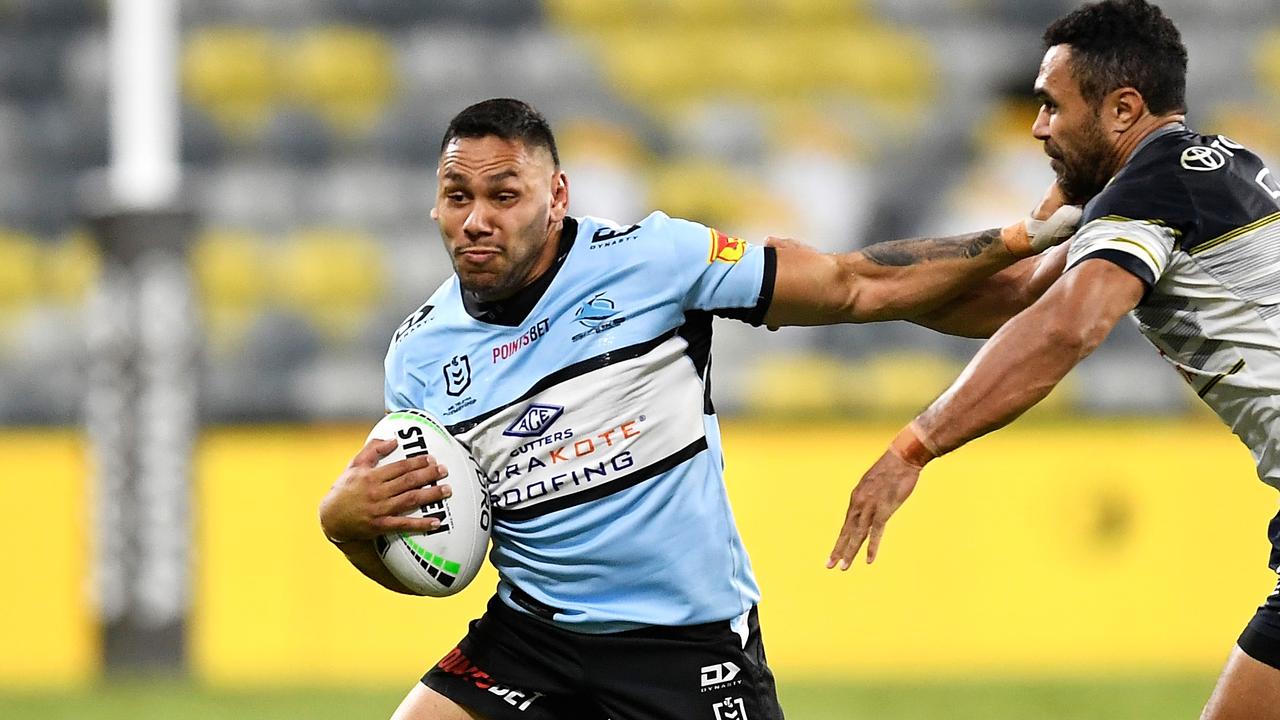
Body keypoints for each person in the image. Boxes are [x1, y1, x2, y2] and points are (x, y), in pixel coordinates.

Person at [317, 97, 1078, 720]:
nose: (477, 218)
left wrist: (1016, 239)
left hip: (685, 642)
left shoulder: (655, 261)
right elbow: (436, 562)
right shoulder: (418, 358)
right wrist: (349, 530)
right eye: (458, 197)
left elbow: (851, 285)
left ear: (556, 199)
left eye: (502, 195)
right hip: (533, 640)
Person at [828, 2, 1280, 718]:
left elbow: (1066, 326)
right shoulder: (1212, 166)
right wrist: (856, 294)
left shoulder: (1153, 188)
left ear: (1122, 109)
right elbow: (1013, 300)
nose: (1038, 128)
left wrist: (913, 447)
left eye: (1051, 106)